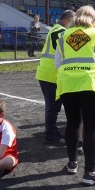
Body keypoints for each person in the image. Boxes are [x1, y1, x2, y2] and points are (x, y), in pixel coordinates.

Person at [55, 5, 95, 186]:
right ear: (94, 19)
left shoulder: (63, 35)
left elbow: (58, 64)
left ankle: (72, 163)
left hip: (67, 83)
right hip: (91, 83)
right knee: (91, 127)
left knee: (72, 124)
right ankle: (90, 172)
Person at [35, 11, 72, 146]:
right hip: (51, 74)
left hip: (47, 72)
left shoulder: (56, 29)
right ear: (69, 19)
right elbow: (61, 50)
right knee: (53, 107)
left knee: (52, 106)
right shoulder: (60, 31)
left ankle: (51, 132)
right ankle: (50, 135)